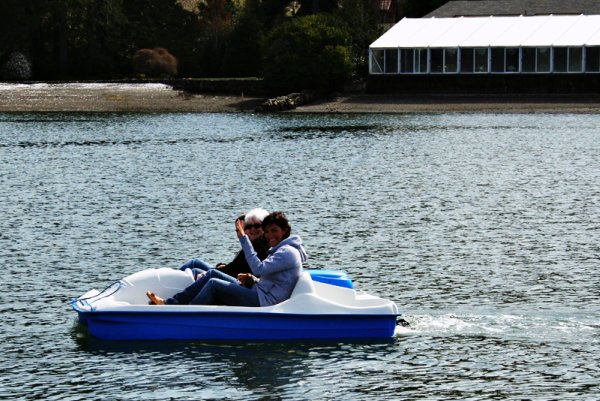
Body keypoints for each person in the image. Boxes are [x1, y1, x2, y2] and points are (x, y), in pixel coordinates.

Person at [146, 211, 307, 307]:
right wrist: (252, 279)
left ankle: (185, 313)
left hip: (264, 301)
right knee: (211, 274)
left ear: (285, 231)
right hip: (258, 291)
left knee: (214, 284)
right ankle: (171, 304)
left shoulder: (287, 252)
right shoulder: (282, 250)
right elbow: (272, 280)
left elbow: (259, 269)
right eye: (268, 232)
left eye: (275, 231)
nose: (270, 235)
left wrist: (243, 239)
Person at [178, 208, 270, 279]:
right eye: (249, 227)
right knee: (195, 263)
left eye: (257, 226)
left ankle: (178, 298)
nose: (252, 229)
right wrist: (224, 266)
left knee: (196, 271)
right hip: (234, 273)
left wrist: (215, 271)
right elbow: (237, 266)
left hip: (240, 281)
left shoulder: (258, 247)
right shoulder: (253, 244)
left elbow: (236, 269)